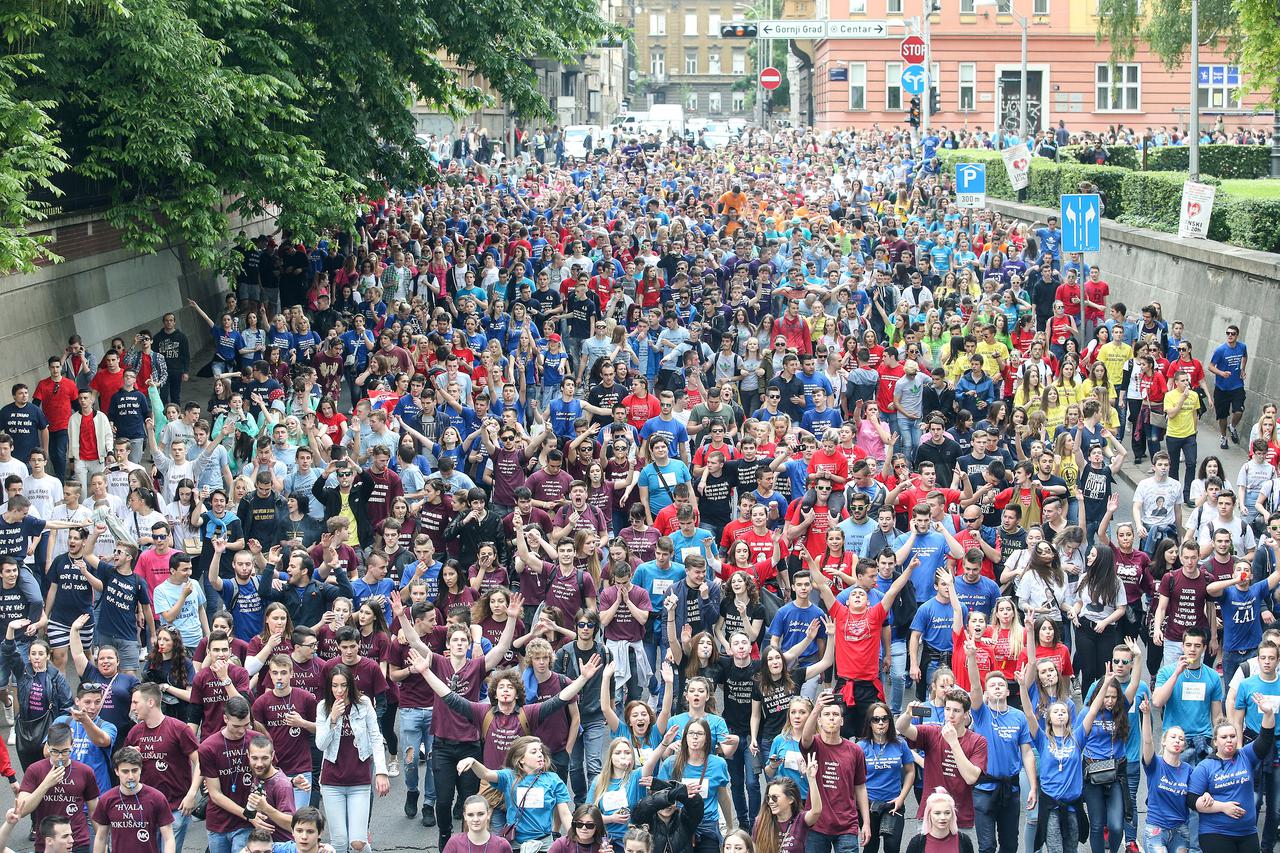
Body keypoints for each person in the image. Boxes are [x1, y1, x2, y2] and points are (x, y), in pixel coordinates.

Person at [314, 664, 391, 853]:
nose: (339, 690)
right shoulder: (323, 707)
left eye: (343, 685)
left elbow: (375, 737)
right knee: (339, 843)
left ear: (350, 685)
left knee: (358, 843)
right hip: (332, 781)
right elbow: (321, 745)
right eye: (334, 685)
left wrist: (381, 772)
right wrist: (332, 719)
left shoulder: (363, 704)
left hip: (359, 778)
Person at [1189, 696, 1276, 853]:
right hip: (1215, 833)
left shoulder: (1246, 755)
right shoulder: (1204, 767)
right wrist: (1222, 807)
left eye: (1232, 736)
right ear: (1215, 742)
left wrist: (1268, 713)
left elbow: (1265, 740)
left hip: (1247, 832)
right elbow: (1191, 800)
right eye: (1224, 737)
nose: (1229, 740)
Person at [91, 746, 176, 853]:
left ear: (141, 769)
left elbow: (168, 838)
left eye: (134, 770)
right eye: (125, 771)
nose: (131, 776)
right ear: (117, 771)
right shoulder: (107, 799)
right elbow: (101, 838)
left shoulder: (157, 798)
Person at [903, 788, 975, 853]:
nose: (943, 817)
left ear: (953, 815)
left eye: (947, 813)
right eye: (937, 813)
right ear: (929, 815)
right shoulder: (917, 843)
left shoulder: (963, 840)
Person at [441, 796, 512, 853]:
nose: (475, 819)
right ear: (465, 816)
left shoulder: (502, 845)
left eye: (480, 814)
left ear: (488, 814)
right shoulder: (455, 843)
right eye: (470, 815)